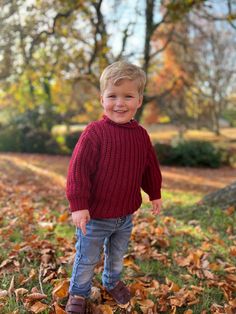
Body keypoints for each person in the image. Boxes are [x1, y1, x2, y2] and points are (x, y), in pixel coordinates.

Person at [65, 61, 162, 314]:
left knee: (117, 256)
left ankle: (111, 281)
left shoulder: (141, 135)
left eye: (128, 96)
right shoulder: (94, 133)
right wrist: (79, 206)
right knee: (87, 258)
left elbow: (149, 167)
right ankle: (78, 293)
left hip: (125, 216)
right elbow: (78, 170)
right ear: (102, 99)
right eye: (112, 96)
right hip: (95, 217)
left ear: (139, 100)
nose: (119, 103)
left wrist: (155, 193)